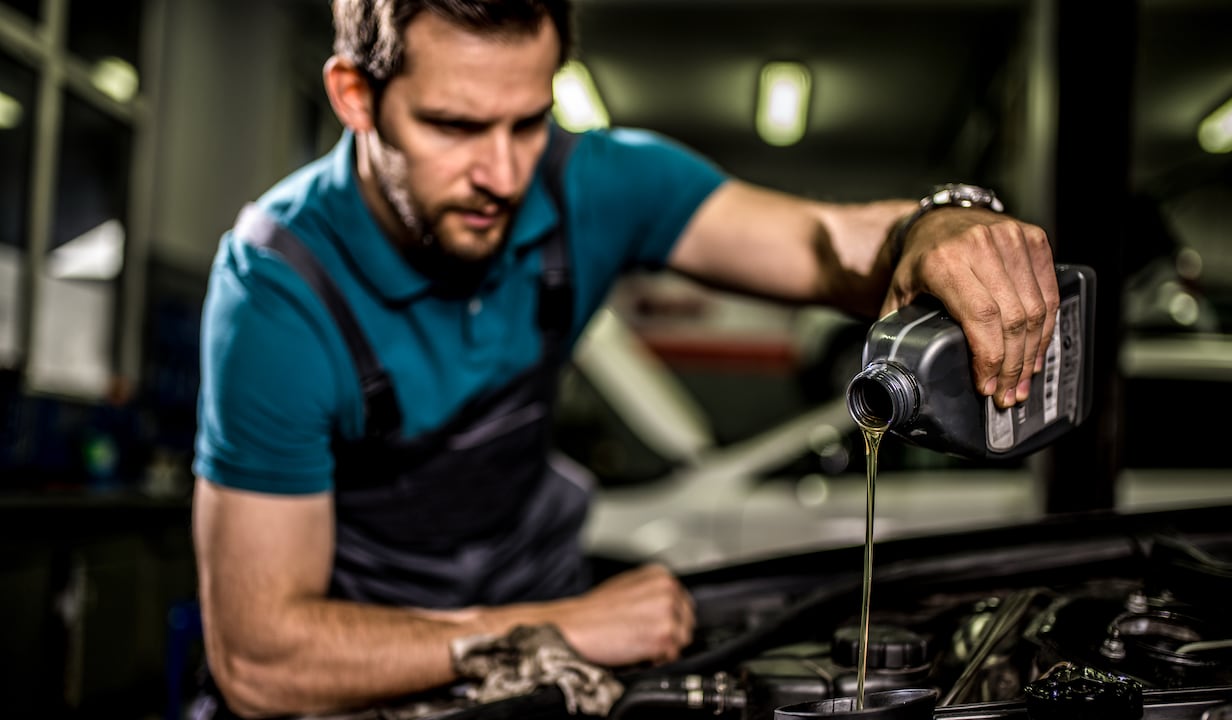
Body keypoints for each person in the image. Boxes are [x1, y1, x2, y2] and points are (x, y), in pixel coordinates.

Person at [191, 0, 1060, 717]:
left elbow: (825, 242)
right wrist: (558, 628)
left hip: (538, 589)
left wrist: (937, 223)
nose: (501, 173)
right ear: (354, 95)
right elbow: (262, 658)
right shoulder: (276, 291)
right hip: (367, 655)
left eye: (529, 121)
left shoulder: (593, 182)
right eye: (454, 124)